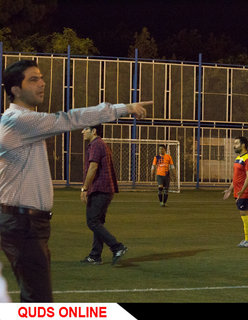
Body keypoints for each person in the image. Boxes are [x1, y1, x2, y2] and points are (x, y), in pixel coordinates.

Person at [0, 59, 149, 302]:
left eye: (42, 77)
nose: (42, 83)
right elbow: (68, 119)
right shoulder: (20, 121)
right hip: (22, 223)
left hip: (26, 222)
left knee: (35, 298)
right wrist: (123, 108)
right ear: (15, 89)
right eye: (33, 79)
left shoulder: (21, 121)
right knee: (38, 302)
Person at [80, 125, 127, 266]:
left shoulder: (96, 144)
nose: (82, 131)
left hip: (100, 189)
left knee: (92, 221)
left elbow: (93, 167)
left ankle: (117, 247)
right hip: (105, 189)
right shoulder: (100, 144)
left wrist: (84, 188)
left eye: (85, 129)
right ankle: (95, 255)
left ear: (93, 131)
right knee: (97, 223)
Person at [223, 136, 248, 248]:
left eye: (236, 143)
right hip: (238, 192)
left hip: (244, 192)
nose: (234, 145)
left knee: (244, 215)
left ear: (243, 145)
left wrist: (242, 191)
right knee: (246, 215)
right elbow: (236, 177)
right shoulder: (239, 158)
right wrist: (230, 189)